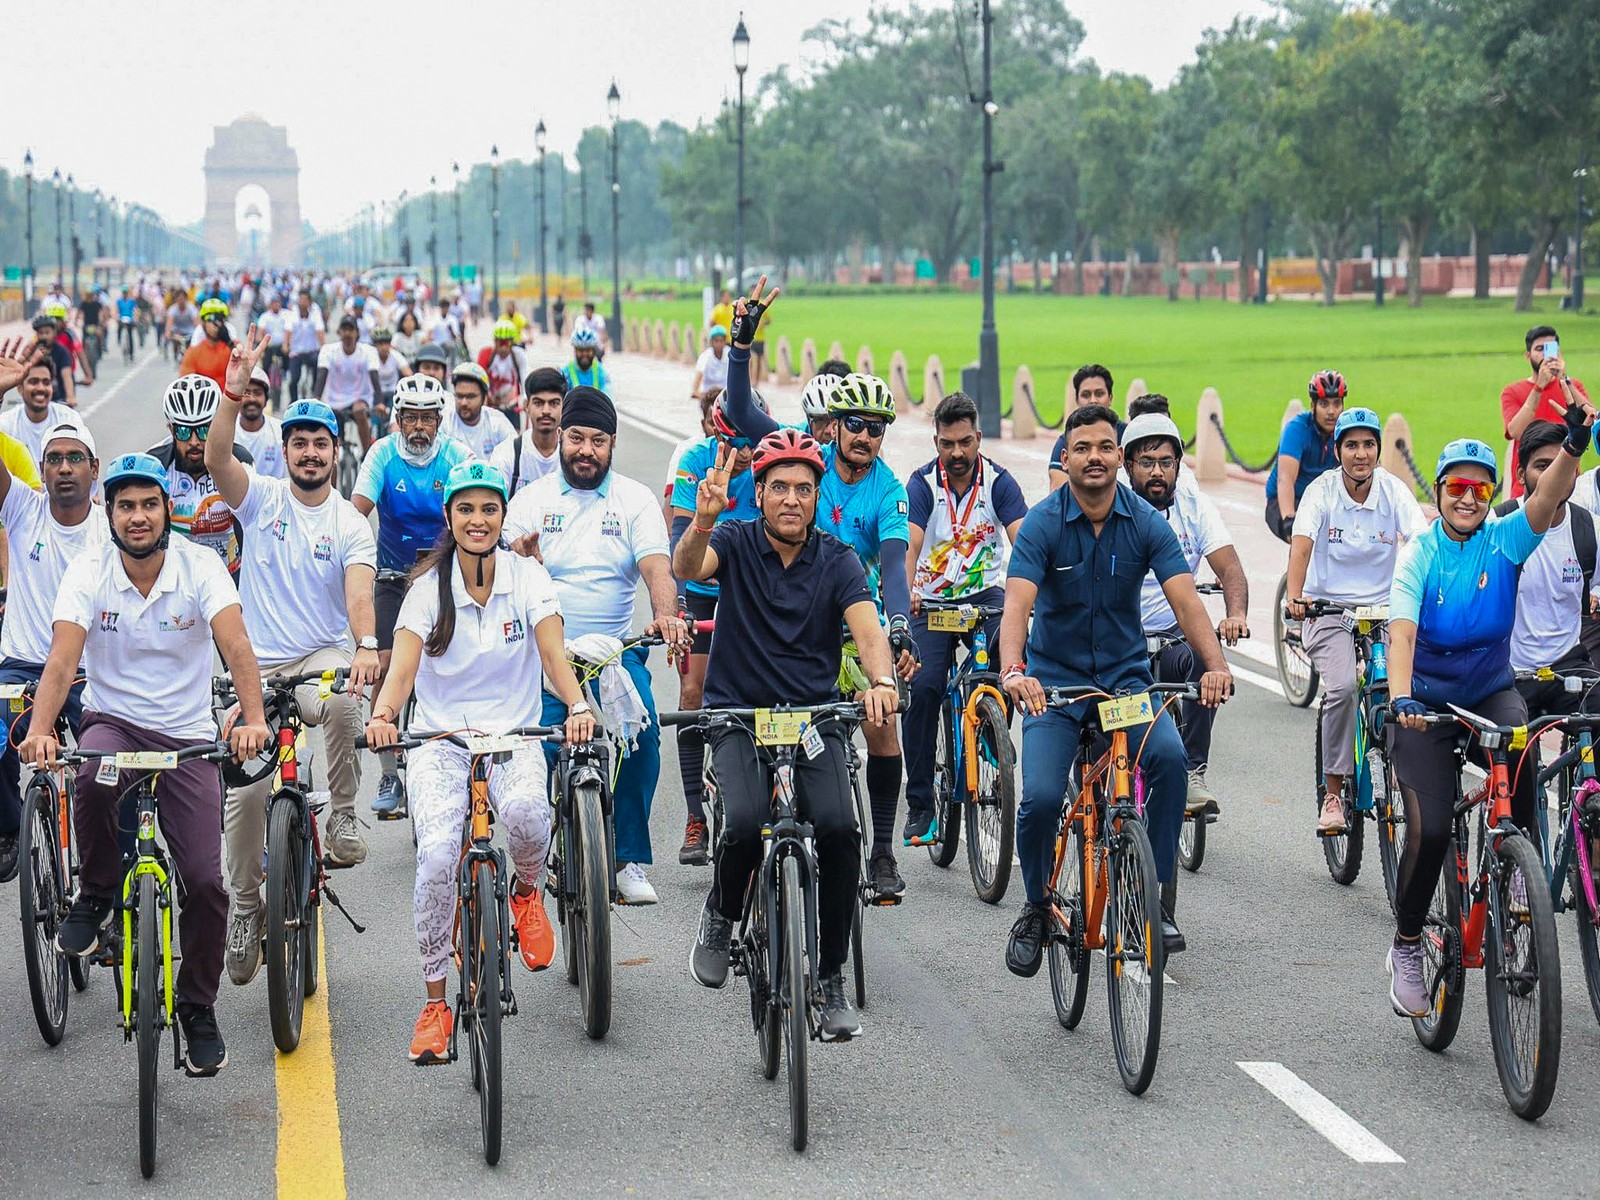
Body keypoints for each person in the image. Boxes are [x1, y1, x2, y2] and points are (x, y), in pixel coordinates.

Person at [23, 452, 271, 1077]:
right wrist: (44, 727)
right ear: (110, 513)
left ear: (168, 512)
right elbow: (60, 660)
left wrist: (252, 717)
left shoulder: (201, 565)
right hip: (116, 725)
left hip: (186, 738)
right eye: (126, 506)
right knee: (91, 774)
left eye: (149, 505)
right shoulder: (89, 568)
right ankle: (98, 891)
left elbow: (236, 644)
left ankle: (197, 1008)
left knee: (208, 884)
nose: (138, 517)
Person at [365, 461, 594, 1063]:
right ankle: (436, 1001)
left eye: (488, 509)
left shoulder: (528, 578)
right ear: (450, 518)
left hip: (512, 735)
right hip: (440, 743)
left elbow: (552, 654)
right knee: (438, 856)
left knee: (528, 816)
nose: (477, 520)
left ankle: (525, 893)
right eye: (465, 509)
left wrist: (575, 704)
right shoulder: (425, 589)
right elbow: (403, 672)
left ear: (501, 517)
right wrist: (385, 714)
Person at [677, 428, 899, 1041]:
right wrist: (701, 520)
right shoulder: (736, 539)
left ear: (817, 495)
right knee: (745, 823)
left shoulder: (838, 559)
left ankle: (828, 979)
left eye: (804, 488)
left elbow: (868, 627)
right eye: (779, 487)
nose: (791, 499)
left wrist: (880, 679)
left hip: (813, 718)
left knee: (838, 828)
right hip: (737, 715)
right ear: (762, 492)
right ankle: (722, 914)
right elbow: (689, 567)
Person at [999, 404, 1233, 973]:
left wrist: (1215, 664)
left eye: (1106, 447)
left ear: (1119, 458)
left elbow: (1185, 598)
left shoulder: (1146, 522)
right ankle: (1035, 905)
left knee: (1172, 759)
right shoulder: (1042, 523)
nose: (1095, 458)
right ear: (1067, 458)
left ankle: (1159, 901)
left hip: (1127, 681)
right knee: (1040, 801)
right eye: (1083, 448)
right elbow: (1016, 607)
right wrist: (1013, 672)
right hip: (1053, 686)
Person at [1384, 411, 1592, 1018]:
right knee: (1427, 831)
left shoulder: (1506, 539)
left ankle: (1517, 871)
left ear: (1493, 495)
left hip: (1491, 691)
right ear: (1440, 491)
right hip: (1425, 704)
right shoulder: (1419, 555)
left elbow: (1549, 491)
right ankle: (1405, 944)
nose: (1469, 498)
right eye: (1457, 487)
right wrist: (1401, 701)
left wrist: (1574, 444)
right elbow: (1400, 634)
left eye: (1480, 488)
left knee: (1522, 758)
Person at [718, 288, 920, 900]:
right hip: (792, 618)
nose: (863, 435)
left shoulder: (888, 492)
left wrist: (901, 626)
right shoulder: (803, 457)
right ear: (837, 427)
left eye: (877, 428)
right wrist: (742, 343)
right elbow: (737, 408)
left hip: (853, 614)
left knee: (884, 723)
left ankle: (881, 851)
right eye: (854, 423)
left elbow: (892, 563)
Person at [209, 342, 380, 981]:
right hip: (255, 668)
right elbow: (217, 456)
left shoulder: (350, 522)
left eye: (321, 443)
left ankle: (339, 815)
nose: (310, 453)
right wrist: (233, 390)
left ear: (337, 452)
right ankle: (246, 911)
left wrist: (364, 645)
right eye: (299, 442)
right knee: (247, 795)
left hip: (320, 657)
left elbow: (360, 594)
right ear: (285, 451)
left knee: (342, 701)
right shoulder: (261, 500)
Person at [505, 387, 690, 905]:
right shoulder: (529, 503)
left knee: (644, 739)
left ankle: (627, 858)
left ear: (613, 444)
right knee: (534, 756)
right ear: (560, 438)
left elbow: (657, 567)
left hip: (615, 651)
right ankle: (534, 863)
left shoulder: (634, 500)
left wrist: (664, 616)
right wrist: (522, 563)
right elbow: (505, 575)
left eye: (598, 441)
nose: (586, 450)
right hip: (546, 656)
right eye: (577, 438)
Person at [1286, 407, 1426, 833]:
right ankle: (1333, 793)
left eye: (1368, 445)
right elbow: (1303, 541)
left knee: (1408, 687)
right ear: (1338, 451)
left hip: (1385, 610)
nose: (1360, 454)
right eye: (1351, 445)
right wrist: (1296, 595)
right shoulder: (1321, 491)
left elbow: (1421, 540)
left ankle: (1414, 778)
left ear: (1378, 451)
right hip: (1329, 609)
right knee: (1344, 686)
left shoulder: (1393, 491)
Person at [902, 391, 1028, 844]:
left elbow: (1025, 544)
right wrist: (908, 592)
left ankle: (994, 733)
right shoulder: (921, 486)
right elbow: (909, 546)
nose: (956, 453)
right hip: (932, 603)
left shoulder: (999, 483)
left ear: (978, 438)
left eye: (965, 443)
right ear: (936, 441)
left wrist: (1026, 596)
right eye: (946, 444)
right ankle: (920, 805)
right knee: (924, 686)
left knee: (1012, 656)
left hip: (986, 596)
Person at [352, 375, 472, 816]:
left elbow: (483, 498)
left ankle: (466, 763)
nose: (419, 427)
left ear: (440, 420)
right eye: (411, 418)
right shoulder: (382, 453)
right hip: (393, 577)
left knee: (454, 663)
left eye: (428, 418)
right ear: (397, 419)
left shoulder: (456, 454)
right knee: (382, 665)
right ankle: (389, 772)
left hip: (444, 575)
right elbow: (356, 511)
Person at [1122, 412, 1251, 813]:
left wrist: (1236, 615)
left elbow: (1230, 568)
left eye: (1166, 462)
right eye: (1147, 463)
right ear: (1128, 466)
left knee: (1204, 660)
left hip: (1173, 633)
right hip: (1119, 640)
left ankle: (1193, 770)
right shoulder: (1109, 506)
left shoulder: (1195, 508)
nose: (1157, 472)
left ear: (1179, 465)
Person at [0, 406, 99, 883]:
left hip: (87, 673)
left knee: (109, 769)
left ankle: (113, 875)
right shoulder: (22, 508)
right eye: (54, 458)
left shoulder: (110, 529)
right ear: (41, 470)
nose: (64, 467)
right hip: (21, 667)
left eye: (75, 458)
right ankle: (8, 827)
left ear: (93, 469)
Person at [668, 393, 763, 864]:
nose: (745, 453)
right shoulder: (694, 461)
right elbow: (679, 539)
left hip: (748, 591)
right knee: (691, 693)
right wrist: (681, 606)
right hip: (704, 588)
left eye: (750, 442)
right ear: (715, 432)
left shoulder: (766, 460)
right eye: (734, 441)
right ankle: (695, 816)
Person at [1498, 421, 1600, 713]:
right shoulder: (1499, 525)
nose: (1554, 475)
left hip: (1568, 666)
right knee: (1513, 746)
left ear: (1575, 471)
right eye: (1543, 466)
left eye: (1561, 466)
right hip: (1509, 670)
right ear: (1520, 474)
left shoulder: (1590, 530)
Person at [149, 374, 254, 579]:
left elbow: (251, 528)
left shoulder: (239, 460)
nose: (194, 442)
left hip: (229, 576)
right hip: (176, 579)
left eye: (204, 430)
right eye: (184, 432)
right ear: (171, 429)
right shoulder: (155, 466)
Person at [1502, 325, 1590, 497]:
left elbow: (1592, 420)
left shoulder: (1573, 386)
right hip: (1526, 485)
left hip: (1568, 482)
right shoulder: (1512, 391)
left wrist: (1565, 380)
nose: (1545, 355)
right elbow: (1515, 431)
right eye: (1539, 349)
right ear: (1528, 356)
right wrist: (1539, 386)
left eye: (1550, 349)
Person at [1266, 370, 1346, 542]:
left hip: (1322, 500)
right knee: (1304, 536)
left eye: (1336, 404)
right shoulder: (1297, 430)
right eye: (1324, 404)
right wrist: (1288, 518)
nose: (1331, 411)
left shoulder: (1347, 431)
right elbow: (1285, 479)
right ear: (1313, 406)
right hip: (1286, 500)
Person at [492, 367, 566, 496]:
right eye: (538, 403)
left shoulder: (573, 456)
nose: (546, 411)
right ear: (527, 406)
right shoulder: (507, 454)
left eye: (554, 403)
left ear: (563, 407)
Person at [314, 315, 381, 455]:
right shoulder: (328, 350)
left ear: (357, 333)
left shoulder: (369, 351)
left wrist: (380, 402)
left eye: (351, 330)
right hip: (334, 402)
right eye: (344, 330)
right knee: (333, 453)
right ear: (339, 332)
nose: (348, 334)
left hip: (359, 399)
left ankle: (366, 455)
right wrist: (316, 399)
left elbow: (375, 377)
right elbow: (321, 375)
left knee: (359, 410)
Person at [1047, 365, 1118, 491]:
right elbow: (1058, 493)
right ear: (1077, 400)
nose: (1093, 400)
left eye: (1099, 394)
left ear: (1110, 398)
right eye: (1086, 395)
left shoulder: (1127, 434)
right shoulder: (1066, 441)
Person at [0, 351, 78, 464]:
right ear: (20, 388)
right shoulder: (6, 423)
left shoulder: (69, 418)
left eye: (46, 382)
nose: (41, 388)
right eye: (33, 382)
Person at [443, 361, 515, 461]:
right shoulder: (445, 423)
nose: (463, 403)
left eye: (470, 397)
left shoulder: (497, 422)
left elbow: (515, 455)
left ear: (485, 398)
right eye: (459, 396)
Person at [231, 366, 287, 479]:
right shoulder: (227, 431)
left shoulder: (280, 432)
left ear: (266, 399)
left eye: (257, 393)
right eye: (246, 393)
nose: (252, 399)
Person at [476, 318, 528, 426]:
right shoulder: (486, 355)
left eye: (507, 343)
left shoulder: (519, 356)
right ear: (495, 342)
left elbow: (525, 379)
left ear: (512, 342)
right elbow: (478, 381)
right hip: (492, 406)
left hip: (512, 406)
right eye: (500, 343)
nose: (503, 348)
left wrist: (525, 399)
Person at [179, 298, 234, 389]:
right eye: (210, 319)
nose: (215, 324)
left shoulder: (231, 348)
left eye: (220, 319)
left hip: (228, 399)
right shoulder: (193, 352)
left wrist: (230, 343)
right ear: (203, 322)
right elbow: (185, 382)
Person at [283, 289, 325, 401]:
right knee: (293, 380)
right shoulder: (293, 313)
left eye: (304, 300)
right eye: (300, 299)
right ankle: (293, 401)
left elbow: (319, 331)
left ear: (310, 302)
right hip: (296, 352)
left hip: (311, 352)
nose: (302, 302)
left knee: (319, 369)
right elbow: (287, 331)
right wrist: (285, 345)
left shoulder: (315, 313)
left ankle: (315, 395)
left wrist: (323, 347)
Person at [31, 314, 75, 406]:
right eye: (40, 333)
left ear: (54, 332)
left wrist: (70, 397)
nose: (44, 337)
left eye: (47, 333)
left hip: (58, 398)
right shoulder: (31, 351)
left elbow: (66, 375)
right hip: (36, 399)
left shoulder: (62, 351)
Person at [799, 373, 842, 445]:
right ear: (809, 422)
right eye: (820, 420)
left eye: (837, 422)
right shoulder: (800, 432)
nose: (829, 431)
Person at [691, 326, 731, 400]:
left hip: (726, 393)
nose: (719, 344)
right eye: (716, 341)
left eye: (721, 341)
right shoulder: (705, 356)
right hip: (708, 393)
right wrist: (696, 391)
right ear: (711, 341)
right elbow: (698, 375)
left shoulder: (730, 355)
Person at [166, 290, 199, 363]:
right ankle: (176, 355)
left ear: (186, 299)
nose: (181, 301)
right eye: (179, 299)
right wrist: (168, 334)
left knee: (191, 348)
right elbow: (169, 323)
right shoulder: (172, 309)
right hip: (177, 332)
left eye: (183, 299)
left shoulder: (191, 308)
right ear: (176, 300)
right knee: (175, 342)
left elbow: (196, 323)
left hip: (189, 332)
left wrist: (198, 332)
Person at [115, 285, 139, 364]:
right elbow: (117, 310)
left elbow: (135, 310)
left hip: (130, 319)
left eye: (126, 292)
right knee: (119, 329)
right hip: (122, 318)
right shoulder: (119, 301)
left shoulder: (132, 301)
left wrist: (135, 318)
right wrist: (117, 317)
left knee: (130, 335)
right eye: (123, 292)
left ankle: (131, 354)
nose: (124, 294)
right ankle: (119, 339)